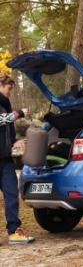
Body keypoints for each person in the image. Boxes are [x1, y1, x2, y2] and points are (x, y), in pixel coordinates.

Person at [0, 72, 35, 244]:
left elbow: (8, 131)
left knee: (12, 193)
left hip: (5, 160)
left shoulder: (5, 106)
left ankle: (14, 231)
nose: (10, 92)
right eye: (8, 88)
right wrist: (20, 113)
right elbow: (2, 120)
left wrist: (16, 142)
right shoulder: (6, 112)